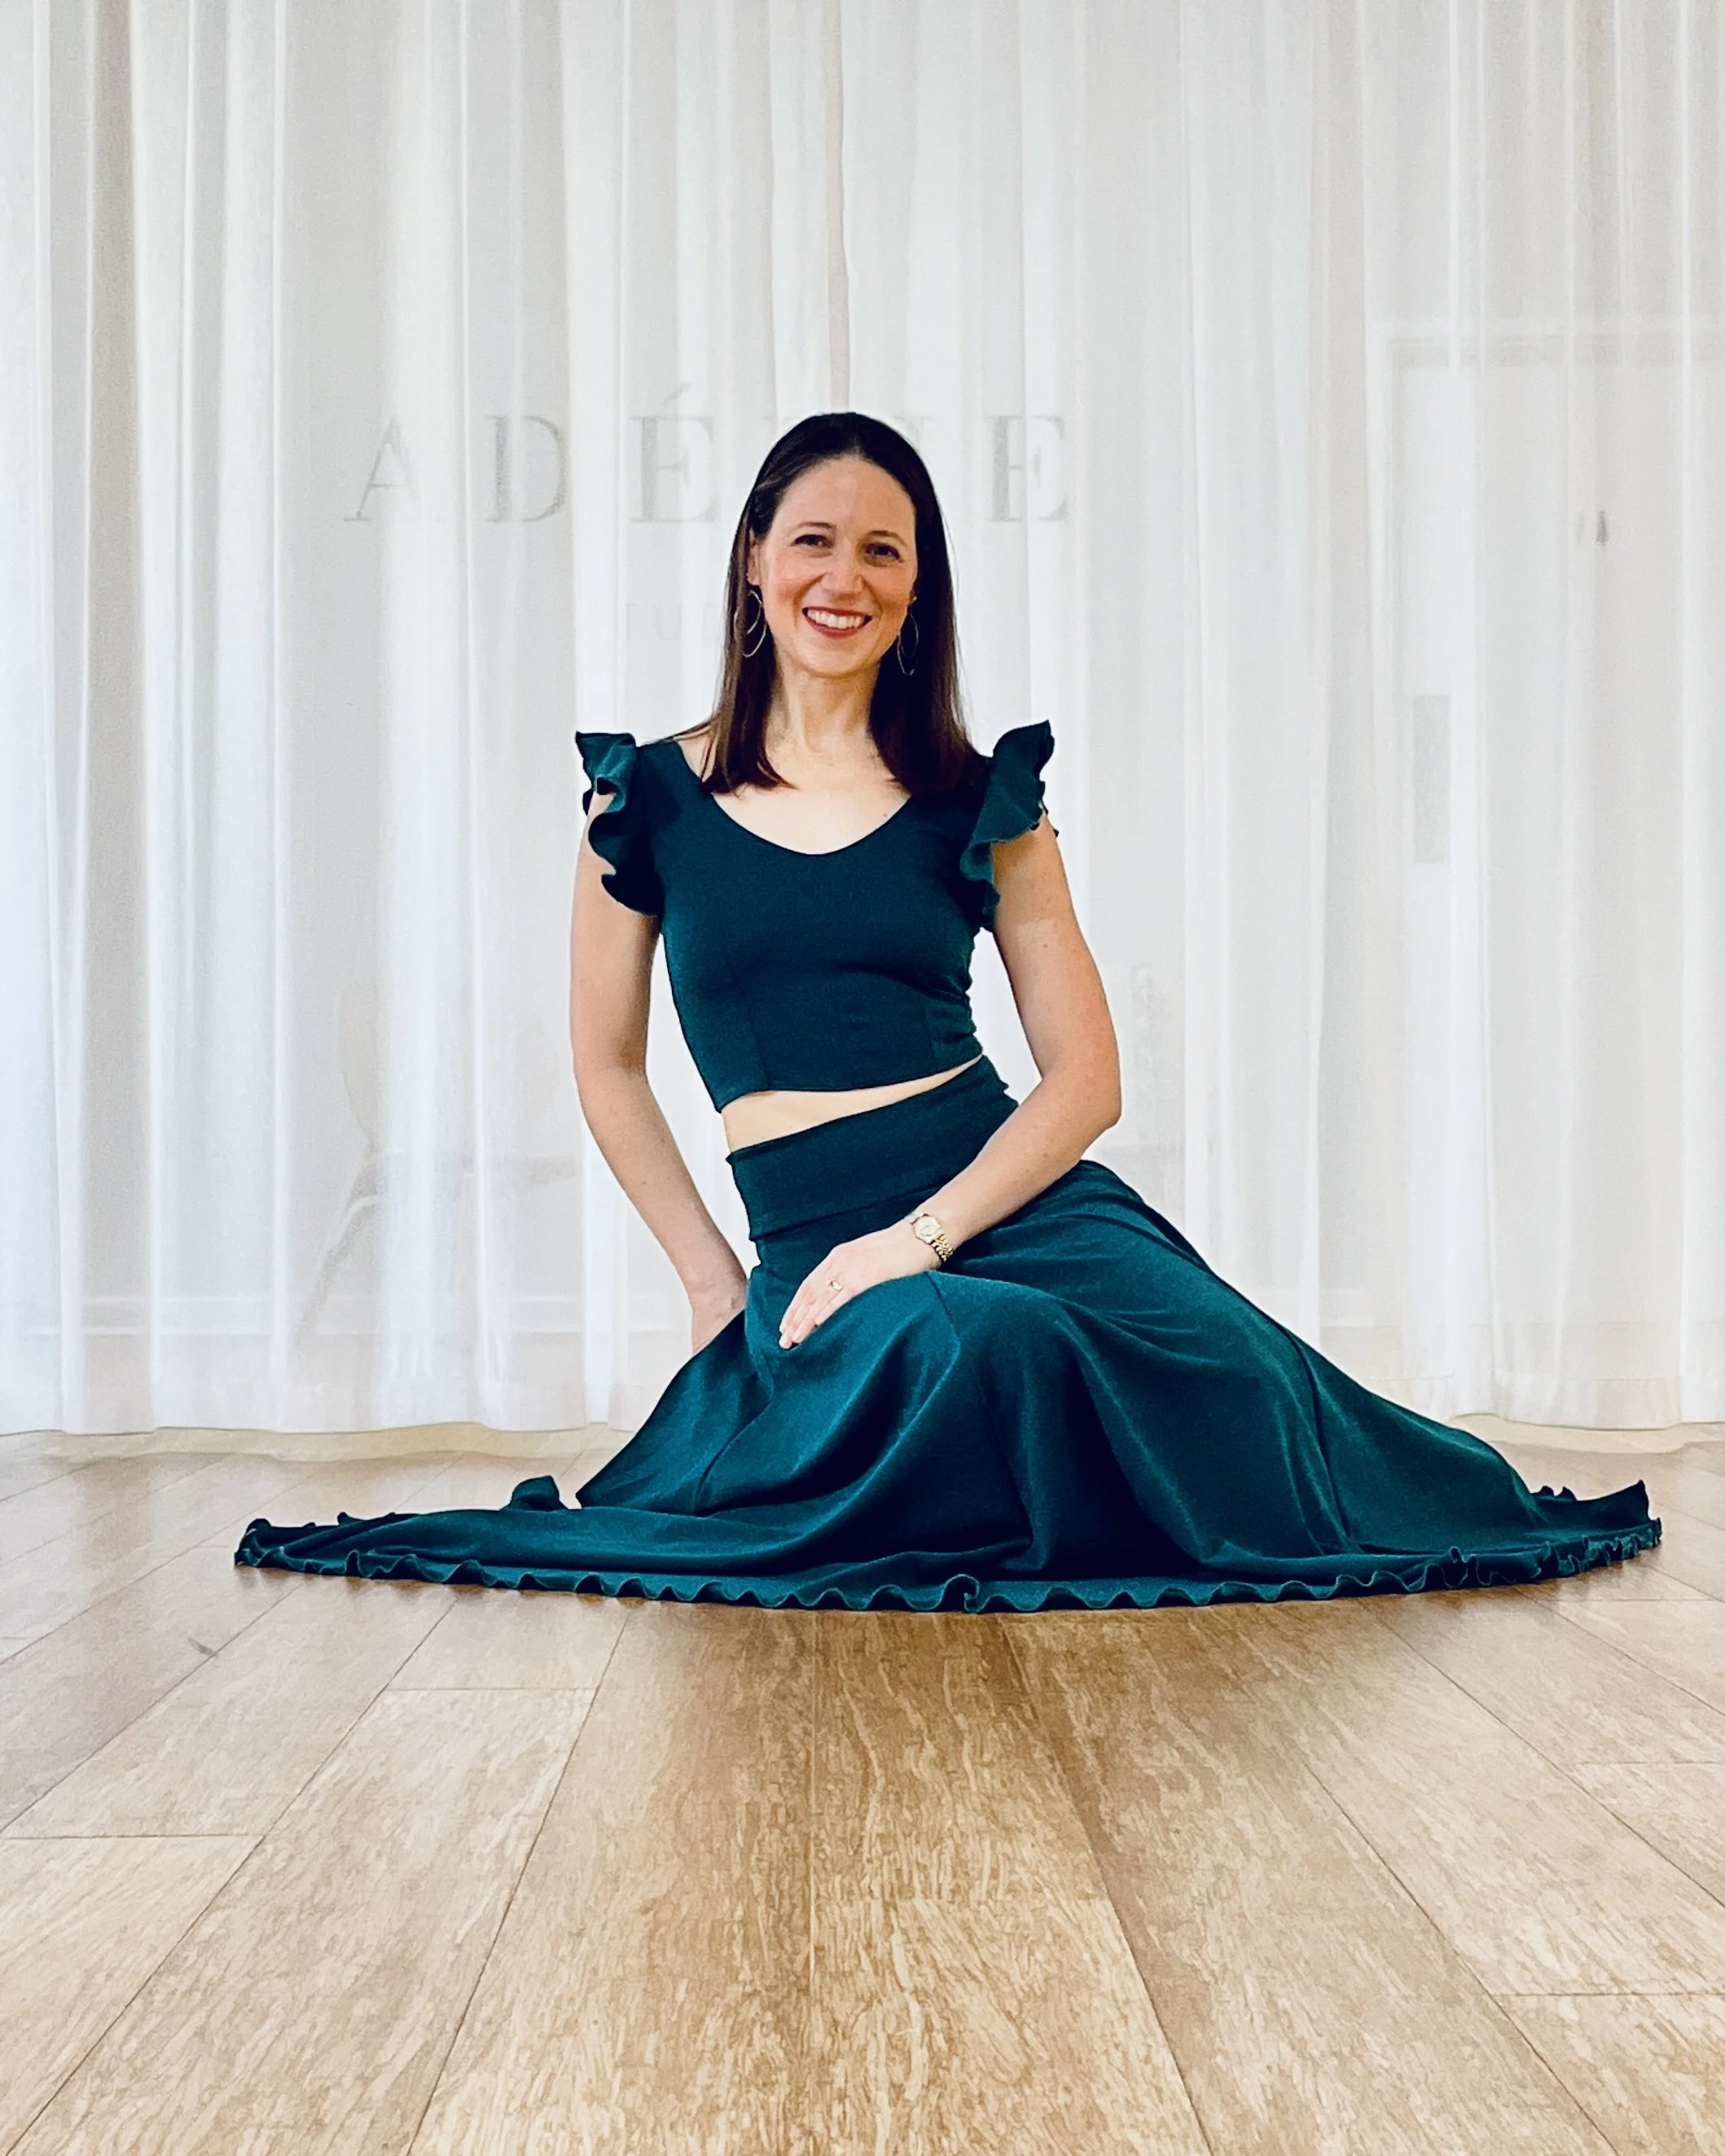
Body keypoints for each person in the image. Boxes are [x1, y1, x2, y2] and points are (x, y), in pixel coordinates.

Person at [236, 413, 1657, 1609]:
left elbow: (1085, 1077)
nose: (842, 577)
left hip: (1005, 1199)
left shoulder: (984, 800)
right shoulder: (645, 798)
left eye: (883, 550)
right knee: (981, 1345)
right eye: (813, 539)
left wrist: (919, 1235)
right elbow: (605, 1064)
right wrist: (713, 1285)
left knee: (1234, 1375)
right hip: (816, 1241)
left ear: (918, 589)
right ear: (753, 557)